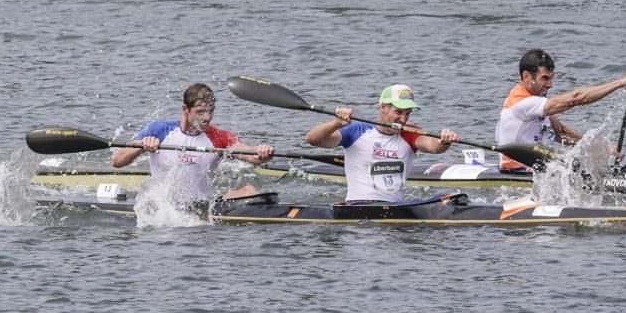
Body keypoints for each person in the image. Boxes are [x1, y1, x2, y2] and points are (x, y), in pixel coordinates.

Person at [110, 83, 275, 204]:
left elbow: (252, 156)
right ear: (185, 109)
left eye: (210, 111)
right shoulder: (160, 130)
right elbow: (117, 161)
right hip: (162, 205)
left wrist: (262, 151)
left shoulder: (219, 137)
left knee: (251, 192)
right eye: (200, 112)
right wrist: (141, 147)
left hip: (202, 205)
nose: (206, 117)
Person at [304, 84, 459, 203]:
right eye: (398, 112)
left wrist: (443, 141)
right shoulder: (356, 131)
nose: (403, 120)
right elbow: (313, 139)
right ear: (383, 107)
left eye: (407, 114)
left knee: (450, 198)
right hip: (358, 205)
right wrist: (336, 123)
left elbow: (433, 146)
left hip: (396, 207)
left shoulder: (410, 132)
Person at [495, 48, 626, 171]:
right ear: (526, 76)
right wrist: (620, 83)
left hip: (539, 170)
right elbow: (575, 98)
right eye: (544, 78)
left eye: (551, 78)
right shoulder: (522, 102)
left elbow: (561, 133)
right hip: (517, 171)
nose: (550, 84)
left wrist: (604, 149)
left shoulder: (536, 103)